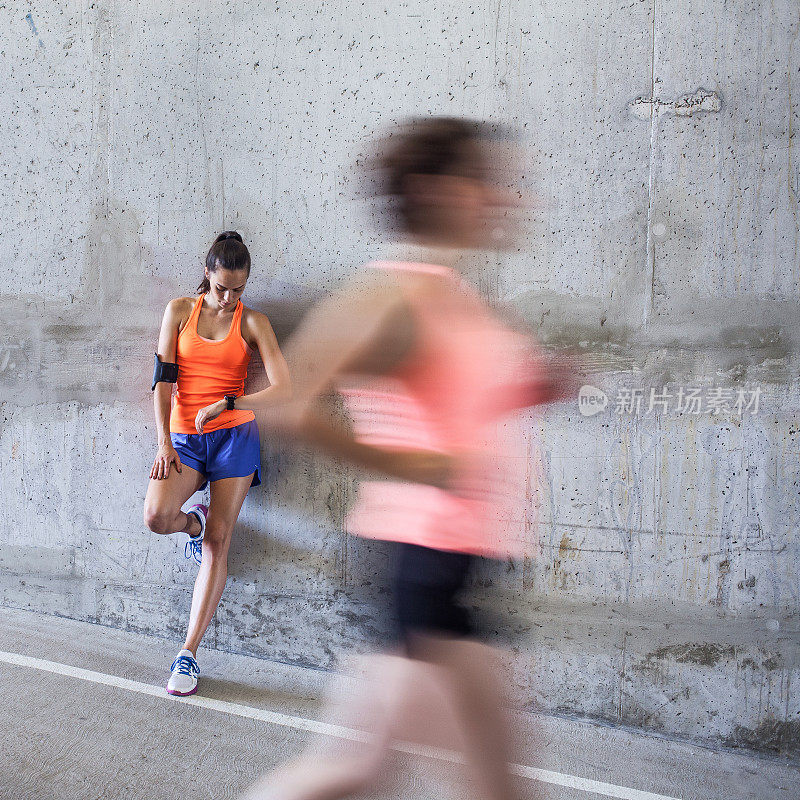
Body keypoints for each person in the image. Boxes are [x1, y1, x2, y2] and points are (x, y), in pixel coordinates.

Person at [240, 118, 580, 800]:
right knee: (379, 774)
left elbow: (451, 398)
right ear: (434, 190)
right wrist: (414, 469)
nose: (503, 198)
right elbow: (285, 405)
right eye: (484, 182)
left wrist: (533, 385)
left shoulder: (453, 295)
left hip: (452, 567)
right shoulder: (392, 292)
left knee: (368, 770)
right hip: (423, 564)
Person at [143, 231, 291, 696]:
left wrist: (230, 401)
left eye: (239, 290)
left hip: (235, 438)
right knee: (156, 516)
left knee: (220, 541)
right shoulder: (179, 312)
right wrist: (164, 441)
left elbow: (285, 386)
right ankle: (193, 524)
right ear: (208, 273)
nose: (229, 298)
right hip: (185, 440)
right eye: (223, 287)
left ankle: (187, 655)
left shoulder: (253, 322)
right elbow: (163, 380)